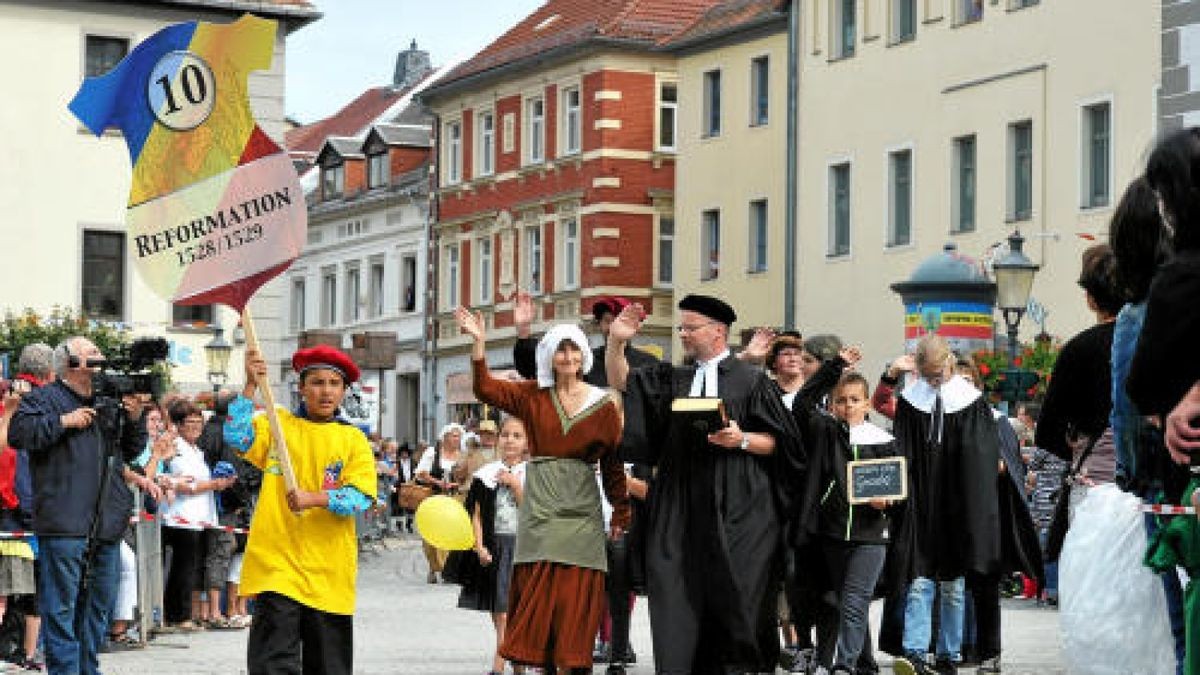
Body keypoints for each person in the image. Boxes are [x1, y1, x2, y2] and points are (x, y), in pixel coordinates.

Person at [606, 294, 804, 674]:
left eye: (690, 328)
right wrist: (617, 340)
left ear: (718, 331)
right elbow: (622, 380)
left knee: (738, 595)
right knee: (677, 591)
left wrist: (741, 439)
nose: (682, 334)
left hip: (742, 504)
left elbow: (781, 443)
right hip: (681, 502)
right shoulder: (673, 378)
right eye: (681, 327)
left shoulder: (751, 381)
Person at [455, 307, 629, 674]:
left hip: (581, 511)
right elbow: (485, 388)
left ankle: (572, 665)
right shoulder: (533, 395)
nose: (568, 357)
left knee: (575, 596)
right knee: (542, 596)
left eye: (574, 349)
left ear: (584, 354)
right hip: (540, 509)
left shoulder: (603, 404)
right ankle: (547, 667)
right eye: (561, 350)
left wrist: (620, 511)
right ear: (549, 355)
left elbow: (613, 464)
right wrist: (479, 342)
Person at [224, 344, 378, 675]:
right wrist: (250, 384)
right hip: (277, 562)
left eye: (334, 384)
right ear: (302, 387)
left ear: (344, 391)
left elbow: (360, 497)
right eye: (317, 382)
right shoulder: (278, 425)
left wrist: (315, 498)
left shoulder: (353, 439)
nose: (326, 391)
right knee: (272, 664)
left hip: (329, 570)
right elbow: (236, 436)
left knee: (329, 666)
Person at [7, 336, 147, 675]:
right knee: (62, 607)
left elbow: (129, 451)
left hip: (106, 523)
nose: (100, 357)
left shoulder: (108, 403)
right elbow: (19, 434)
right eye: (92, 353)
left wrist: (134, 418)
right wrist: (63, 422)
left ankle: (88, 668)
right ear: (70, 363)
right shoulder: (44, 398)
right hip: (64, 522)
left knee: (98, 606)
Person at [888, 335, 1003, 675]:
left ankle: (948, 653)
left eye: (937, 374)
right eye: (927, 376)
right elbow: (902, 450)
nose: (933, 382)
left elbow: (980, 458)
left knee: (953, 584)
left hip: (958, 503)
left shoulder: (972, 403)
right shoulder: (912, 401)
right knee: (918, 577)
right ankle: (915, 650)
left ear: (950, 363)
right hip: (921, 500)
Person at [795, 372, 898, 675]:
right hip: (833, 533)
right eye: (841, 400)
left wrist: (887, 501)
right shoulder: (826, 432)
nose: (848, 406)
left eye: (855, 400)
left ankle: (844, 665)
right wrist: (834, 367)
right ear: (831, 405)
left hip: (872, 534)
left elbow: (898, 487)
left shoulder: (884, 440)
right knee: (846, 602)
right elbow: (802, 403)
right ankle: (864, 664)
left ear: (867, 404)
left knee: (855, 599)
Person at [445, 416, 529, 675]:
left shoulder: (533, 474)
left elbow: (534, 513)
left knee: (515, 611)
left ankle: (503, 666)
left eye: (517, 436)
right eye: (505, 435)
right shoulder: (485, 474)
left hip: (523, 549)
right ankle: (511, 663)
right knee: (499, 611)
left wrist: (515, 485)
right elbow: (476, 514)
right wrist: (479, 546)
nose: (510, 440)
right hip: (495, 547)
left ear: (527, 442)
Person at [159, 399, 234, 631]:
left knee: (188, 568)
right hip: (179, 517)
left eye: (198, 422)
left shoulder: (197, 450)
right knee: (181, 569)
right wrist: (214, 485)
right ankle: (178, 616)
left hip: (196, 519)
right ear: (179, 425)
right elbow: (185, 485)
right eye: (189, 422)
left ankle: (180, 614)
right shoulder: (176, 448)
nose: (195, 427)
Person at [415, 424, 464, 583]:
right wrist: (438, 482)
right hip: (434, 497)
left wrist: (455, 484)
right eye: (454, 436)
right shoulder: (432, 452)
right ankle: (433, 566)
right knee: (431, 534)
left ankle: (447, 569)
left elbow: (469, 477)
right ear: (445, 437)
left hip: (455, 499)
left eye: (458, 436)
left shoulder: (463, 455)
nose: (457, 439)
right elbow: (420, 473)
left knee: (451, 533)